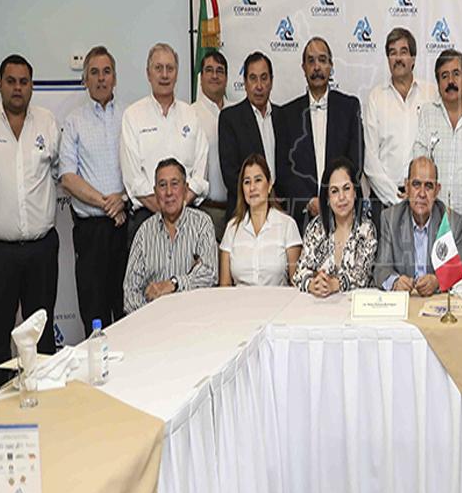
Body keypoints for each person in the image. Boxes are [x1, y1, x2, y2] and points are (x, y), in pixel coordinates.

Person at [0, 54, 61, 386]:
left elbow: (63, 171)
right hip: (0, 251)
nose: (17, 88)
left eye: (23, 82)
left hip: (40, 249)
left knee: (42, 332)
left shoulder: (47, 122)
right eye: (11, 81)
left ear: (32, 86)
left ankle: (44, 394)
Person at [59, 46, 128, 336]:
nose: (101, 78)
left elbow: (142, 169)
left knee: (127, 311)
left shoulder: (129, 116)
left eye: (107, 72)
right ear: (85, 79)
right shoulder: (74, 121)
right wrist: (107, 204)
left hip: (126, 226)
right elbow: (67, 177)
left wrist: (123, 200)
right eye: (94, 73)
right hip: (91, 233)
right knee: (94, 313)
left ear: (115, 78)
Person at [120, 42, 209, 243]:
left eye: (170, 68)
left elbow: (200, 173)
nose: (165, 75)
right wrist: (167, 209)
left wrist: (178, 207)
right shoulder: (132, 116)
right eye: (158, 68)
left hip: (188, 216)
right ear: (148, 73)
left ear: (177, 74)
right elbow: (134, 179)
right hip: (147, 217)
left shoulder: (191, 114)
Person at [276, 37, 363, 232]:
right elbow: (283, 169)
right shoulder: (287, 114)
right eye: (311, 61)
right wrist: (308, 201)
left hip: (344, 215)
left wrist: (334, 198)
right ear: (303, 67)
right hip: (301, 220)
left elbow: (355, 161)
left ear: (331, 66)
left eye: (322, 60)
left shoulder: (349, 107)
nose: (317, 67)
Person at [123, 158, 218, 313]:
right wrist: (152, 315)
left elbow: (209, 274)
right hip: (152, 319)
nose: (168, 192)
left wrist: (174, 284)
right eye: (162, 185)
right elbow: (130, 292)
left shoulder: (202, 223)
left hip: (194, 316)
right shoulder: (144, 232)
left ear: (186, 189)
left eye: (175, 184)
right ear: (155, 192)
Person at [363, 28, 437, 227]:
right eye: (392, 53)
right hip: (386, 201)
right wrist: (396, 198)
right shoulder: (376, 97)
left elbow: (439, 147)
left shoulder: (431, 94)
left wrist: (418, 194)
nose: (398, 58)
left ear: (413, 58)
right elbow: (370, 158)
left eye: (403, 52)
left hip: (425, 200)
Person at [412, 49, 462, 243]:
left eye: (456, 74)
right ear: (438, 83)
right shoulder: (427, 114)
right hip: (434, 221)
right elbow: (419, 162)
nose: (451, 81)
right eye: (444, 76)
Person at [374, 156, 462, 294]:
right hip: (405, 301)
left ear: (437, 190)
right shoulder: (390, 219)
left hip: (436, 301)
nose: (422, 193)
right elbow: (381, 269)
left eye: (428, 186)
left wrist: (437, 281)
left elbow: (461, 270)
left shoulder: (452, 222)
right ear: (407, 187)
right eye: (416, 184)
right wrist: (395, 282)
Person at [293, 157, 377, 296]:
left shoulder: (366, 229)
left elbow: (361, 277)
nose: (341, 197)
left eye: (346, 188)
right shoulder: (316, 228)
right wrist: (313, 284)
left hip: (353, 303)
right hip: (319, 304)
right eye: (334, 191)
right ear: (327, 198)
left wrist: (334, 285)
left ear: (355, 192)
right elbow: (299, 273)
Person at [219, 154, 301, 287]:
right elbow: (225, 285)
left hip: (278, 299)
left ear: (269, 185)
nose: (252, 188)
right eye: (247, 182)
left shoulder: (288, 225)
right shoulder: (232, 228)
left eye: (258, 180)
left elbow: (296, 283)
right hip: (240, 300)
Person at [219, 51, 279, 220]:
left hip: (279, 211)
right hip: (243, 213)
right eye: (253, 78)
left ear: (271, 81)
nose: (259, 86)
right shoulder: (230, 118)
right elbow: (230, 173)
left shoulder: (283, 116)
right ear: (245, 83)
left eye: (264, 78)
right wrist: (260, 197)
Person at [191, 51, 229, 241]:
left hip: (236, 211)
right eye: (209, 70)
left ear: (226, 78)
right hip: (203, 210)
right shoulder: (189, 115)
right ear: (201, 77)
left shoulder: (237, 113)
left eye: (220, 71)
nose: (215, 76)